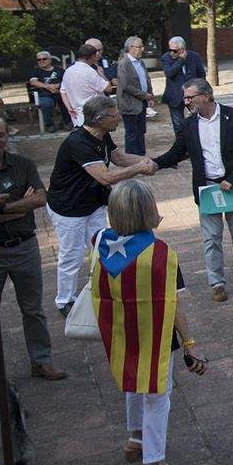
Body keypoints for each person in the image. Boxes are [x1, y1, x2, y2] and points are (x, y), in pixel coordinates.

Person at [92, 179, 208, 465]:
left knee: (133, 382)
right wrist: (189, 345)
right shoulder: (161, 254)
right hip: (154, 334)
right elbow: (174, 305)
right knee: (158, 396)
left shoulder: (100, 240)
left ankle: (136, 438)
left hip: (120, 330)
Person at [46, 96, 155, 315]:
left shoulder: (102, 135)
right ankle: (65, 300)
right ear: (99, 119)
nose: (119, 118)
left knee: (100, 248)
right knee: (72, 254)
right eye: (114, 115)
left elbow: (119, 158)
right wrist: (139, 168)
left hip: (92, 203)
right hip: (69, 208)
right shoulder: (79, 143)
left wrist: (149, 160)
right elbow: (105, 177)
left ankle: (100, 288)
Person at [151, 78, 233, 303]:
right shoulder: (188, 124)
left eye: (190, 97)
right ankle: (216, 283)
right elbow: (176, 152)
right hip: (207, 187)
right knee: (211, 238)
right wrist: (154, 164)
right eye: (185, 98)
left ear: (207, 95)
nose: (186, 102)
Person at [0, 116, 63, 379]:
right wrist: (21, 206)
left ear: (7, 135)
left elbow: (40, 199)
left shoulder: (23, 164)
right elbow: (28, 204)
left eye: (0, 135)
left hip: (25, 246)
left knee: (33, 308)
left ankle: (41, 361)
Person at [114, 36, 154, 156]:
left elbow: (146, 80)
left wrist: (150, 96)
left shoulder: (140, 62)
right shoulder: (123, 64)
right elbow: (126, 85)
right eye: (140, 46)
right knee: (132, 133)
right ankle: (132, 158)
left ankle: (141, 155)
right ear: (131, 48)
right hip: (129, 103)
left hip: (142, 102)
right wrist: (144, 95)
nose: (143, 49)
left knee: (141, 131)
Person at [158, 37, 205, 135]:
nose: (172, 53)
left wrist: (200, 91)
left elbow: (201, 75)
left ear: (182, 49)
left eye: (175, 51)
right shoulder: (166, 58)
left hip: (193, 95)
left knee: (199, 120)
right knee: (178, 125)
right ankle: (181, 142)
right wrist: (180, 60)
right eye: (170, 50)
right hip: (175, 96)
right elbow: (169, 73)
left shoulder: (194, 56)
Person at [59, 41, 110, 128]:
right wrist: (102, 74)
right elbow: (108, 88)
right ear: (92, 56)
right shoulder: (89, 72)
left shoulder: (68, 71)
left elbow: (63, 91)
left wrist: (69, 108)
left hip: (76, 115)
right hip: (93, 114)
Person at [26, 50, 64, 132]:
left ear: (50, 60)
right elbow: (34, 82)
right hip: (44, 95)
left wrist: (57, 86)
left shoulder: (60, 70)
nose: (41, 61)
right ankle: (50, 125)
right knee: (45, 104)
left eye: (44, 59)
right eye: (39, 60)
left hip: (60, 93)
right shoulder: (35, 71)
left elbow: (67, 82)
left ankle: (67, 122)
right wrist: (48, 87)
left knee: (68, 101)